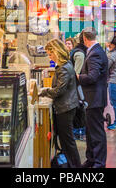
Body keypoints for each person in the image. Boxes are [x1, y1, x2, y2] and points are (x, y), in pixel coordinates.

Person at [40, 39, 81, 168]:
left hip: (65, 108)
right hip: (68, 106)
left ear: (56, 52)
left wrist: (44, 91)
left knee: (67, 141)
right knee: (66, 141)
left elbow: (59, 90)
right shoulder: (66, 65)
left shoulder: (63, 68)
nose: (49, 56)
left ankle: (75, 166)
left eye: (50, 53)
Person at [77, 27, 108, 168]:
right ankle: (91, 159)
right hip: (93, 98)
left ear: (84, 38)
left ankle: (99, 162)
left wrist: (77, 76)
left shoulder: (95, 53)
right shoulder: (97, 51)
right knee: (91, 131)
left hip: (94, 98)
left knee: (96, 132)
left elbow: (92, 77)